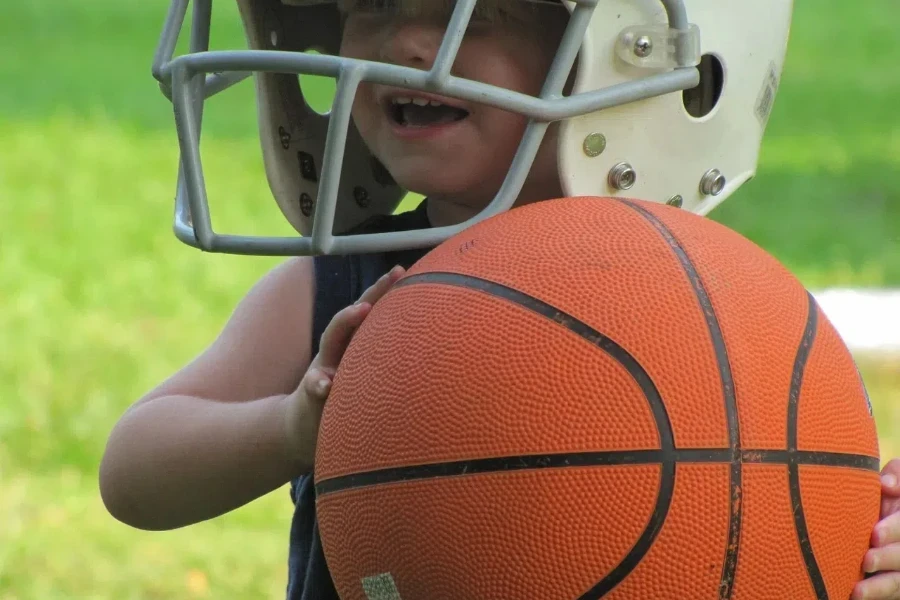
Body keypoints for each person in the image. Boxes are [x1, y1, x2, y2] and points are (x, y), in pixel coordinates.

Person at [99, 1, 900, 598]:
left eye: (473, 13)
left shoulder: (725, 308)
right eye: (371, 3)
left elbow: (788, 507)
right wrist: (288, 431)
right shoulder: (335, 290)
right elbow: (133, 470)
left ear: (631, 50)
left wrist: (870, 534)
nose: (407, 44)